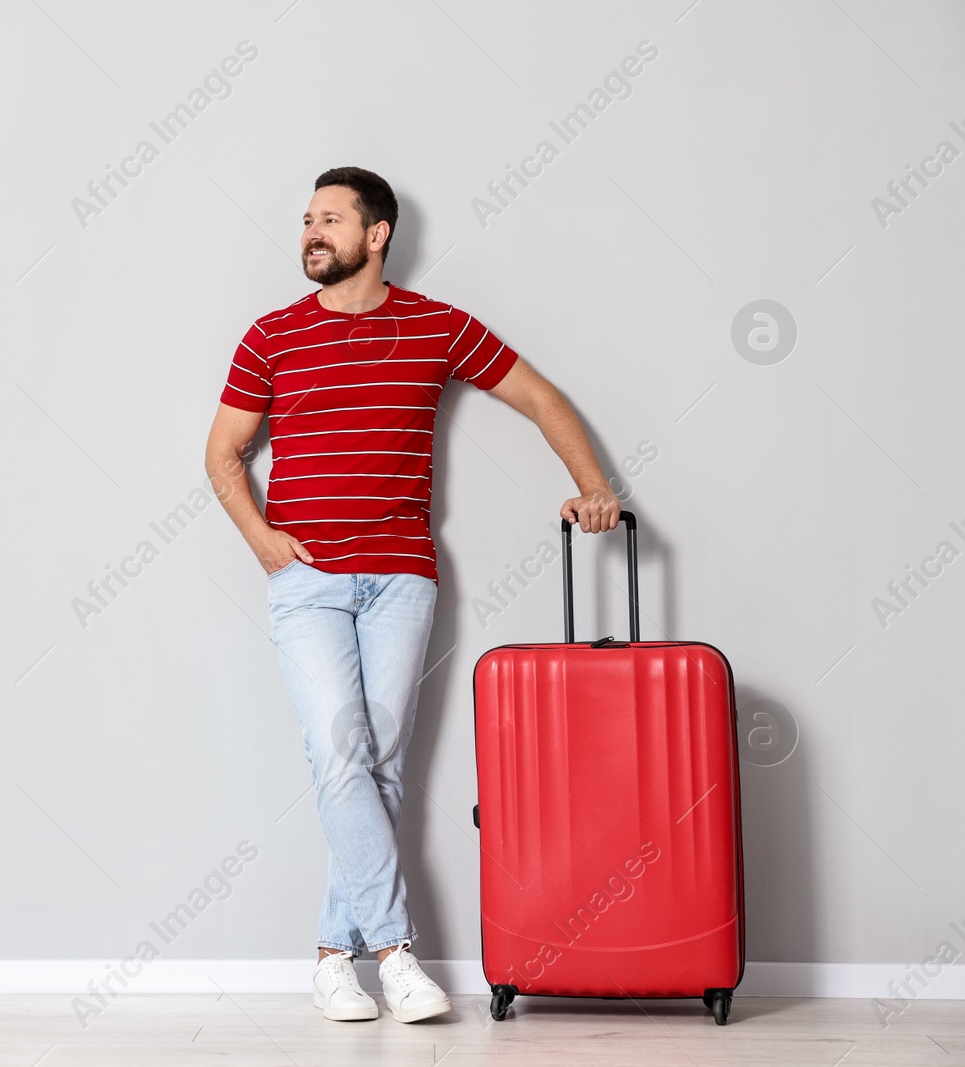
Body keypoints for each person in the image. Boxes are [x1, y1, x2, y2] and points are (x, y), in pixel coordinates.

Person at [203, 166, 621, 1023]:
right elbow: (222, 454)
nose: (311, 232)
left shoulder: (437, 327)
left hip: (403, 579)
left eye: (329, 219)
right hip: (308, 581)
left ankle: (330, 957)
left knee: (379, 764)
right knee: (338, 750)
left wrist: (594, 487)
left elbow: (541, 397)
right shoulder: (271, 335)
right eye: (307, 220)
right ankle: (395, 950)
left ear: (377, 233)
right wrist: (263, 542)